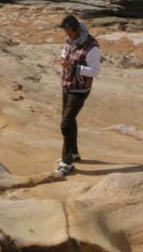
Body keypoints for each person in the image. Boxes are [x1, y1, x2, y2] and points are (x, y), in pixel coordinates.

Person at [56, 13, 100, 175]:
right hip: (67, 86)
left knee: (65, 124)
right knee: (69, 120)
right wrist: (62, 60)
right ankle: (74, 153)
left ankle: (67, 163)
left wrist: (74, 68)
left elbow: (95, 71)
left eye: (68, 32)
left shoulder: (92, 47)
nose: (66, 35)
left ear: (75, 30)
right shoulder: (69, 40)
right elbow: (65, 53)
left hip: (80, 90)